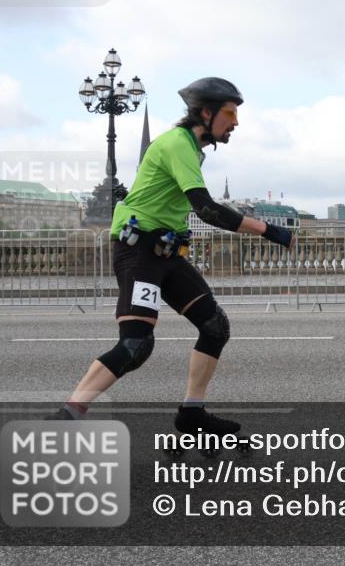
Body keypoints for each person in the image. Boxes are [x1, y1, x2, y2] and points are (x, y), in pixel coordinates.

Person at [51, 77, 294, 438]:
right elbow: (207, 210)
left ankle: (192, 414)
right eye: (230, 114)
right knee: (135, 344)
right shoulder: (177, 144)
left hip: (165, 250)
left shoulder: (192, 149)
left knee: (214, 326)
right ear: (206, 113)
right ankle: (66, 418)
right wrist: (271, 231)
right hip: (139, 250)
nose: (236, 122)